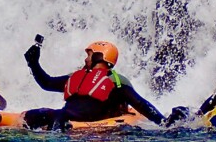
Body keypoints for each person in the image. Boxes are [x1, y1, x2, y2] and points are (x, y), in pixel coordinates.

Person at [21, 39, 166, 129]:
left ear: (99, 56)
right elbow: (47, 83)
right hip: (64, 116)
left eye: (88, 55)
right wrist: (33, 64)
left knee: (57, 117)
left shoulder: (116, 81)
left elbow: (141, 104)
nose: (85, 59)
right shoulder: (76, 76)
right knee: (37, 114)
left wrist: (163, 123)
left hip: (78, 120)